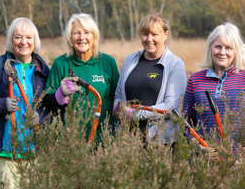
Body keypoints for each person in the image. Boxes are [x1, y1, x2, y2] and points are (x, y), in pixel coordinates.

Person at [0, 17, 50, 189]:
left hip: (33, 149)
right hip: (2, 148)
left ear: (35, 41)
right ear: (10, 40)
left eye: (28, 37)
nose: (23, 42)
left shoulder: (43, 70)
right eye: (18, 37)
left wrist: (40, 117)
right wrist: (1, 104)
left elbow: (51, 107)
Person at [41, 13, 119, 143]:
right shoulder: (61, 63)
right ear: (70, 38)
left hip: (103, 140)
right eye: (76, 33)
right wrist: (60, 94)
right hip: (70, 142)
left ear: (94, 37)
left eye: (87, 32)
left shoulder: (108, 63)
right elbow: (46, 102)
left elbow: (117, 96)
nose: (82, 38)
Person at [113, 12, 186, 145]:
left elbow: (170, 106)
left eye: (154, 34)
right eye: (145, 34)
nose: (149, 39)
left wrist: (135, 115)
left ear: (166, 34)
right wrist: (118, 109)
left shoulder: (175, 64)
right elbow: (118, 94)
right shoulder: (130, 59)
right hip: (126, 138)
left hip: (159, 140)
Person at [182, 22, 245, 155]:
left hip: (238, 160)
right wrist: (197, 146)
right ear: (211, 48)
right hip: (203, 161)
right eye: (218, 47)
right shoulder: (195, 79)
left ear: (236, 51)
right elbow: (186, 122)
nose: (222, 52)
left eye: (228, 48)